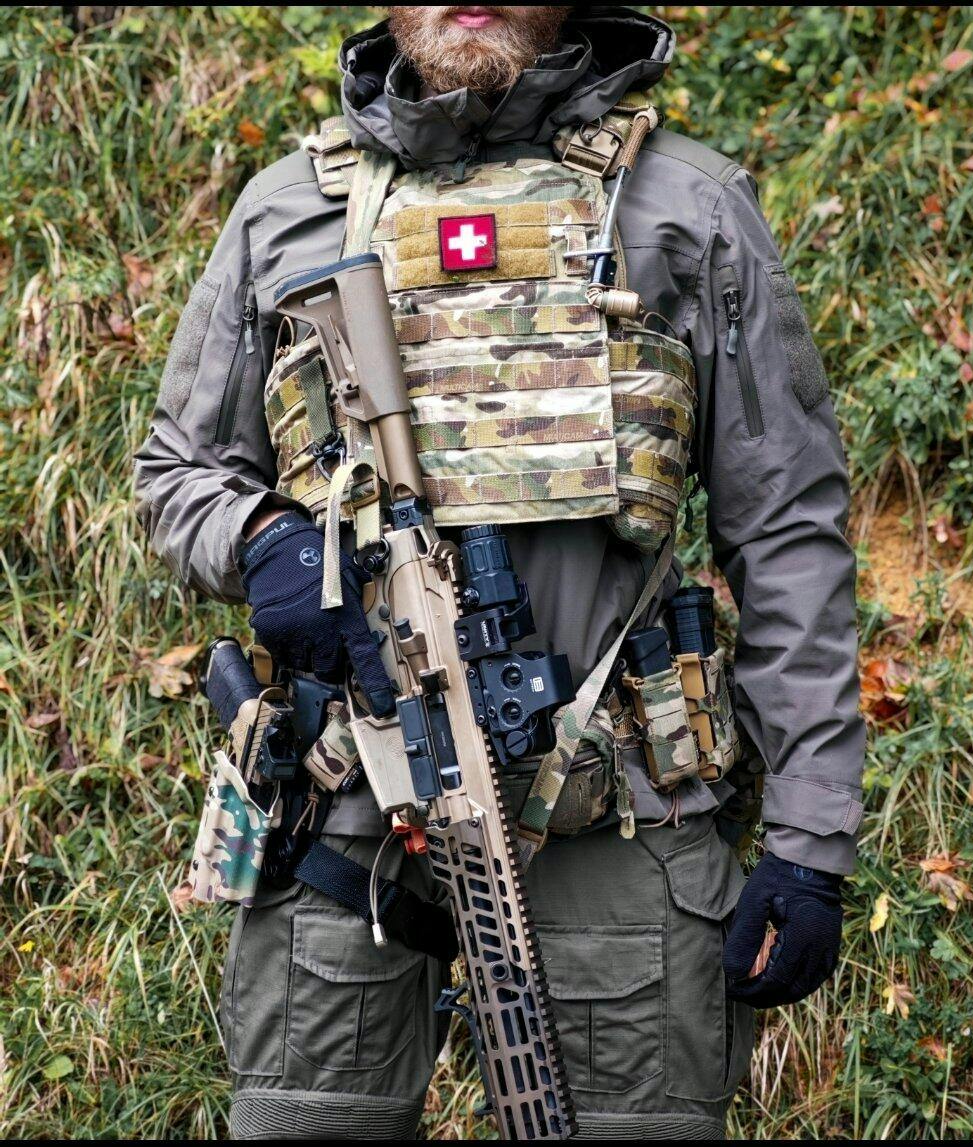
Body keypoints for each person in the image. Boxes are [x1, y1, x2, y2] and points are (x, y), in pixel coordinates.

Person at [135, 6, 865, 1140]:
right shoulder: (287, 212)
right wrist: (265, 541)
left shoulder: (687, 209)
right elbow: (178, 474)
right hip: (346, 802)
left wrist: (811, 844)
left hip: (613, 817)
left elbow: (787, 533)